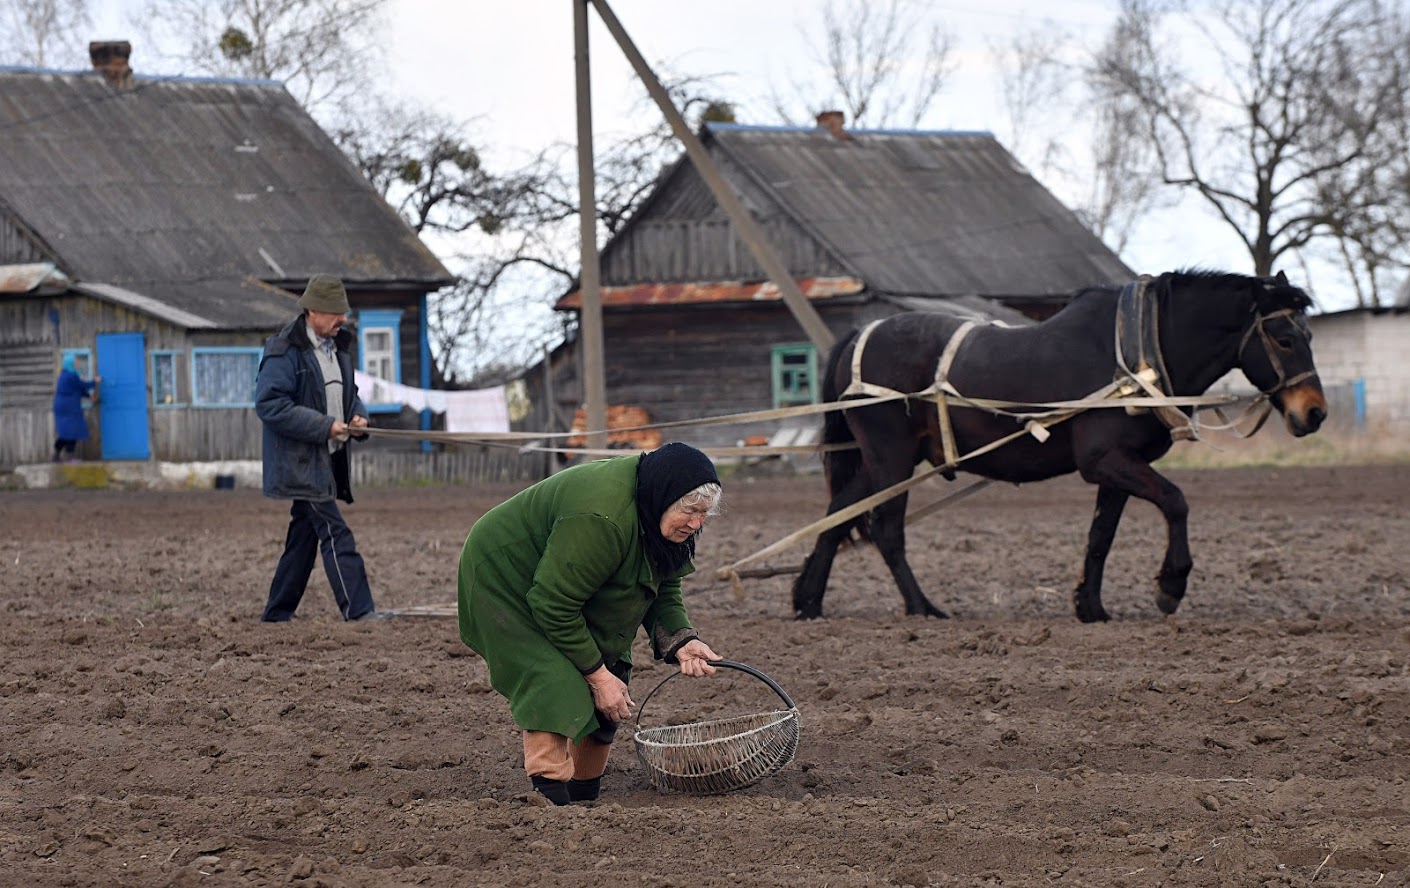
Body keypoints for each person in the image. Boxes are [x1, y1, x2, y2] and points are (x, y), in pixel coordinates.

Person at [457, 441, 724, 805]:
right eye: (690, 511)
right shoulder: (603, 519)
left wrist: (680, 639)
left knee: (612, 664)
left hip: (561, 576)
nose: (696, 523)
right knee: (554, 675)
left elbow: (662, 582)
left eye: (704, 513)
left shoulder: (657, 508)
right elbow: (552, 604)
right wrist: (597, 678)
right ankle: (549, 796)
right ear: (664, 497)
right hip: (504, 576)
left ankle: (584, 795)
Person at [254, 274, 383, 622]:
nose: (342, 319)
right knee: (333, 530)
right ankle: (359, 611)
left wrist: (359, 418)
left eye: (343, 312)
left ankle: (277, 612)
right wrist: (325, 426)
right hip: (301, 461)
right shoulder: (284, 351)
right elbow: (270, 405)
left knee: (303, 537)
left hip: (329, 458)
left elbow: (350, 394)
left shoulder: (339, 348)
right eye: (333, 313)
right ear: (312, 310)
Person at [52, 355, 100, 463]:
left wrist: (89, 396)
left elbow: (78, 389)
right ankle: (69, 457)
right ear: (70, 364)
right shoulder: (70, 376)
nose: (78, 364)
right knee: (71, 431)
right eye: (76, 362)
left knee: (68, 432)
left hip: (66, 407)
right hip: (68, 407)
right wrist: (95, 381)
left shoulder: (67, 375)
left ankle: (57, 456)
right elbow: (83, 385)